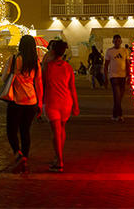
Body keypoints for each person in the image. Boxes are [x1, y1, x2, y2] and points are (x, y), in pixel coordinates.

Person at [3, 35, 43, 173]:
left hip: (16, 100)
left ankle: (17, 153)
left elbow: (4, 78)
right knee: (25, 131)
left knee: (11, 130)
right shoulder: (35, 62)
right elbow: (39, 83)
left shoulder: (14, 59)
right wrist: (40, 102)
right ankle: (25, 157)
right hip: (31, 100)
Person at [43, 40, 79, 172]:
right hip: (66, 102)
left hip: (52, 101)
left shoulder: (48, 66)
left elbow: (42, 81)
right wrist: (76, 105)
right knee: (61, 129)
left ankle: (59, 160)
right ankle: (58, 156)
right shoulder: (68, 67)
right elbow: (72, 88)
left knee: (55, 132)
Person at [104, 34, 130, 121]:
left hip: (122, 76)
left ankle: (114, 115)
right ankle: (120, 115)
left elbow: (127, 64)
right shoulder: (109, 51)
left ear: (121, 42)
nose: (117, 43)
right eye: (115, 41)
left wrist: (129, 75)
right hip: (113, 76)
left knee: (119, 97)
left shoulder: (125, 51)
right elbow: (106, 65)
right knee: (117, 95)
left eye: (118, 41)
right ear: (113, 42)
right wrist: (106, 77)